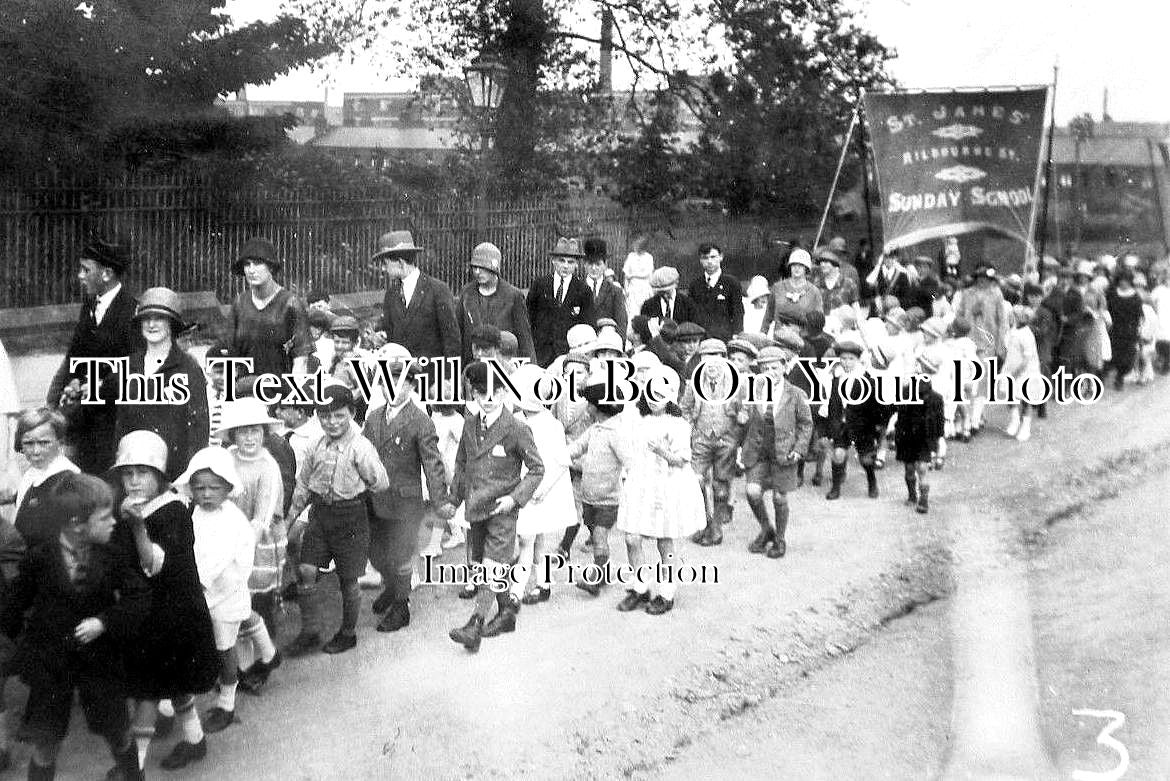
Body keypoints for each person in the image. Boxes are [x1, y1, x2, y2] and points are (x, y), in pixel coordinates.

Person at [0, 472, 148, 781]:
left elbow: (138, 597)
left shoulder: (112, 554)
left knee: (119, 731)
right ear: (77, 524)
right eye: (105, 517)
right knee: (46, 742)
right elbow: (12, 608)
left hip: (101, 662)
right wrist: (25, 644)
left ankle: (133, 776)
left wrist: (104, 621)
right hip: (52, 665)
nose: (113, 523)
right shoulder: (39, 559)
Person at [109, 431, 219, 772]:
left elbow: (153, 565)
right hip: (151, 612)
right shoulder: (133, 507)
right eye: (128, 473)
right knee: (174, 684)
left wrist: (139, 529)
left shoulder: (171, 511)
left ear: (159, 475)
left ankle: (134, 765)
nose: (134, 481)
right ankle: (195, 739)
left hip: (173, 614)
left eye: (142, 473)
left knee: (147, 691)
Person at [439, 362, 544, 652]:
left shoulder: (516, 428)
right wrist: (454, 499)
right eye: (480, 392)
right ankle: (507, 612)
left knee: (492, 565)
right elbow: (462, 465)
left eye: (494, 392)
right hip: (476, 507)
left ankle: (475, 623)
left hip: (503, 509)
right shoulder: (469, 423)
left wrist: (515, 499)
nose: (487, 398)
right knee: (485, 560)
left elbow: (537, 469)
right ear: (473, 393)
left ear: (503, 392)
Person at [284, 384, 390, 656]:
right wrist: (290, 519)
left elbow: (380, 483)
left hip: (351, 517)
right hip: (320, 515)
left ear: (352, 414)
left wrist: (356, 494)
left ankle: (348, 633)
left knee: (348, 580)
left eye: (339, 415)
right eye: (325, 416)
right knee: (307, 570)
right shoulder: (315, 445)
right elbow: (303, 485)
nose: (332, 422)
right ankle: (310, 631)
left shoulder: (361, 448)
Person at [362, 345, 447, 633]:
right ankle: (392, 588)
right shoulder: (373, 418)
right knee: (376, 554)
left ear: (411, 385)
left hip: (405, 503)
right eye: (386, 382)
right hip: (375, 500)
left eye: (400, 383)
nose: (392, 389)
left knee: (400, 556)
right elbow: (361, 455)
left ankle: (401, 606)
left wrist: (439, 501)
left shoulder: (420, 421)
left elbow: (433, 464)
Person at [175, 447, 256, 739]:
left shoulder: (232, 519)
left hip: (225, 592)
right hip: (202, 593)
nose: (206, 494)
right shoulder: (195, 513)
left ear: (228, 488)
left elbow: (220, 560)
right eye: (199, 488)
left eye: (214, 488)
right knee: (201, 642)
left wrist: (197, 584)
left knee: (224, 647)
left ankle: (227, 702)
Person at [615, 366, 705, 613]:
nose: (655, 403)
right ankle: (640, 588)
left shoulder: (678, 424)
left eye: (661, 398)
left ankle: (667, 592)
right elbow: (628, 448)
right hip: (641, 483)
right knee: (632, 538)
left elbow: (682, 460)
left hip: (667, 485)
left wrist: (662, 452)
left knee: (664, 541)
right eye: (652, 396)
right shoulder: (636, 418)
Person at [47, 240, 142, 474]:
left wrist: (96, 387)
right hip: (85, 414)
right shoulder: (90, 303)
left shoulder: (132, 311)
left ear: (107, 273)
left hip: (113, 418)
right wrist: (71, 383)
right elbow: (76, 353)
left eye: (86, 270)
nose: (80, 276)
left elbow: (134, 368)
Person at [104, 287, 209, 482]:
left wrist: (187, 480)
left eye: (159, 318)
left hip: (174, 473)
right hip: (135, 472)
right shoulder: (127, 367)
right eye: (146, 318)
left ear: (172, 324)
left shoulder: (188, 368)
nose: (152, 324)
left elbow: (198, 430)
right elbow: (119, 425)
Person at [508, 364, 575, 605]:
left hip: (541, 490)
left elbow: (561, 462)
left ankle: (516, 591)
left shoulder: (551, 425)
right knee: (534, 540)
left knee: (527, 538)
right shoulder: (516, 420)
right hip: (524, 486)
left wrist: (543, 489)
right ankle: (543, 583)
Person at [738, 346, 811, 558]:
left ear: (785, 367)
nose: (771, 372)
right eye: (765, 368)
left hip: (784, 452)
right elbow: (741, 413)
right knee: (752, 491)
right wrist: (742, 415)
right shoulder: (751, 389)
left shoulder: (796, 394)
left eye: (775, 367)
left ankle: (779, 538)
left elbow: (806, 424)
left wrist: (799, 449)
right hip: (758, 451)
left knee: (780, 497)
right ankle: (766, 529)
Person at [567, 367, 632, 599]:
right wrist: (560, 457)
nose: (587, 407)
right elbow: (576, 448)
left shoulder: (616, 433)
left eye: (590, 404)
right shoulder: (594, 429)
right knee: (595, 533)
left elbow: (629, 461)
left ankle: (596, 579)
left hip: (608, 499)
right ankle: (602, 570)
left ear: (597, 407)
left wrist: (631, 482)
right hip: (589, 497)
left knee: (600, 536)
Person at [681, 340, 746, 546]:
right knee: (696, 481)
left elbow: (746, 409)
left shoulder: (738, 384)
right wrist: (689, 429)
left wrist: (739, 424)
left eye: (715, 357)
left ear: (724, 359)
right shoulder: (694, 383)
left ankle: (716, 528)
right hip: (701, 438)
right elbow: (685, 408)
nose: (710, 363)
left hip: (726, 439)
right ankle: (706, 522)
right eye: (705, 358)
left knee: (720, 484)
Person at [374, 230, 460, 382]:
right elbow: (391, 334)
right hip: (402, 381)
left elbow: (451, 339)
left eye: (385, 263)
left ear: (400, 262)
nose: (383, 269)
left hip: (433, 379)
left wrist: (448, 380)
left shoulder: (438, 290)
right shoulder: (391, 294)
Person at [226, 237, 312, 377]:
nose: (251, 270)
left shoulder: (290, 304)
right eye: (247, 264)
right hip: (244, 390)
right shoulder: (239, 304)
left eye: (258, 263)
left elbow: (301, 360)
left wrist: (294, 396)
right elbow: (231, 357)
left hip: (280, 391)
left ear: (270, 266)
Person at [456, 242, 536, 364]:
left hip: (502, 367)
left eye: (483, 268)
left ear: (495, 268)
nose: (477, 272)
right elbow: (458, 332)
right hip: (472, 366)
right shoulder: (467, 293)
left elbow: (525, 339)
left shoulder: (513, 296)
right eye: (475, 267)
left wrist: (530, 370)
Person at [527, 237, 595, 367]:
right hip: (541, 352)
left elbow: (588, 324)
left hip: (568, 354)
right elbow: (529, 317)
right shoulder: (540, 284)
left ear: (576, 265)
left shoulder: (583, 290)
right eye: (561, 261)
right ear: (553, 261)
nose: (565, 266)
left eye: (570, 262)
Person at [895, 354, 946, 513]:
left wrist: (938, 442)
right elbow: (900, 413)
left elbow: (939, 421)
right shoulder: (905, 390)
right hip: (907, 435)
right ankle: (912, 495)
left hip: (925, 436)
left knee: (922, 468)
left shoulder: (937, 396)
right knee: (909, 468)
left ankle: (924, 500)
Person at [687, 243, 744, 343]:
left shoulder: (731, 283)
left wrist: (736, 335)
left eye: (713, 257)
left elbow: (737, 312)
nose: (709, 262)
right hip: (701, 338)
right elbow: (691, 313)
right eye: (705, 258)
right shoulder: (695, 285)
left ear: (721, 257)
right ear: (700, 260)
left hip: (724, 338)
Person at [1002, 305, 1041, 442]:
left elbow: (1027, 359)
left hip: (1025, 371)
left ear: (1023, 319)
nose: (1012, 317)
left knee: (1025, 399)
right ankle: (1014, 420)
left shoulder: (1026, 335)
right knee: (1010, 395)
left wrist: (1015, 373)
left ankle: (1026, 426)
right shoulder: (1012, 331)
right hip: (1011, 367)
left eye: (1015, 315)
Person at [761, 250, 822, 336]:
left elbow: (818, 322)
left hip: (802, 339)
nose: (796, 268)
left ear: (806, 268)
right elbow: (768, 315)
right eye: (794, 265)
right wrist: (763, 333)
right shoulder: (778, 287)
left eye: (800, 265)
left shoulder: (814, 292)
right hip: (778, 336)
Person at [583, 239, 628, 340]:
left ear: (605, 265)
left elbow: (621, 323)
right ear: (584, 264)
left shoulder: (615, 291)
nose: (594, 268)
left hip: (606, 345)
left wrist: (618, 348)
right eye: (590, 263)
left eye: (598, 264)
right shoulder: (578, 288)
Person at [1106, 269, 1143, 390]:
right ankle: (1114, 375)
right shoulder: (1113, 294)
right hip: (1115, 328)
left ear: (1130, 282)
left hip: (1129, 330)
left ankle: (1120, 376)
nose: (1123, 283)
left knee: (1127, 357)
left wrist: (1137, 328)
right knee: (1114, 353)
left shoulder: (1135, 297)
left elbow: (1139, 315)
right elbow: (1108, 309)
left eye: (1126, 281)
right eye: (1121, 280)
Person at [865, 253, 913, 317]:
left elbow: (907, 299)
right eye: (886, 257)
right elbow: (868, 294)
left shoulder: (902, 275)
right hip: (877, 312)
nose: (889, 260)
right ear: (883, 259)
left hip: (895, 313)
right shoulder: (876, 273)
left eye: (891, 258)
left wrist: (895, 302)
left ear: (896, 259)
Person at [813, 249, 859, 314]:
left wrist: (860, 321)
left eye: (826, 262)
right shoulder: (817, 284)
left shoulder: (848, 283)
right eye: (821, 262)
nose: (822, 265)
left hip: (842, 322)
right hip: (822, 321)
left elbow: (855, 306)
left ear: (834, 264)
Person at [623, 235, 656, 317]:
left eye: (637, 246)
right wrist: (626, 288)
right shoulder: (631, 256)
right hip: (633, 289)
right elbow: (626, 274)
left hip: (644, 288)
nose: (635, 247)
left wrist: (633, 275)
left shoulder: (648, 257)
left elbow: (647, 274)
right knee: (632, 312)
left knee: (645, 310)